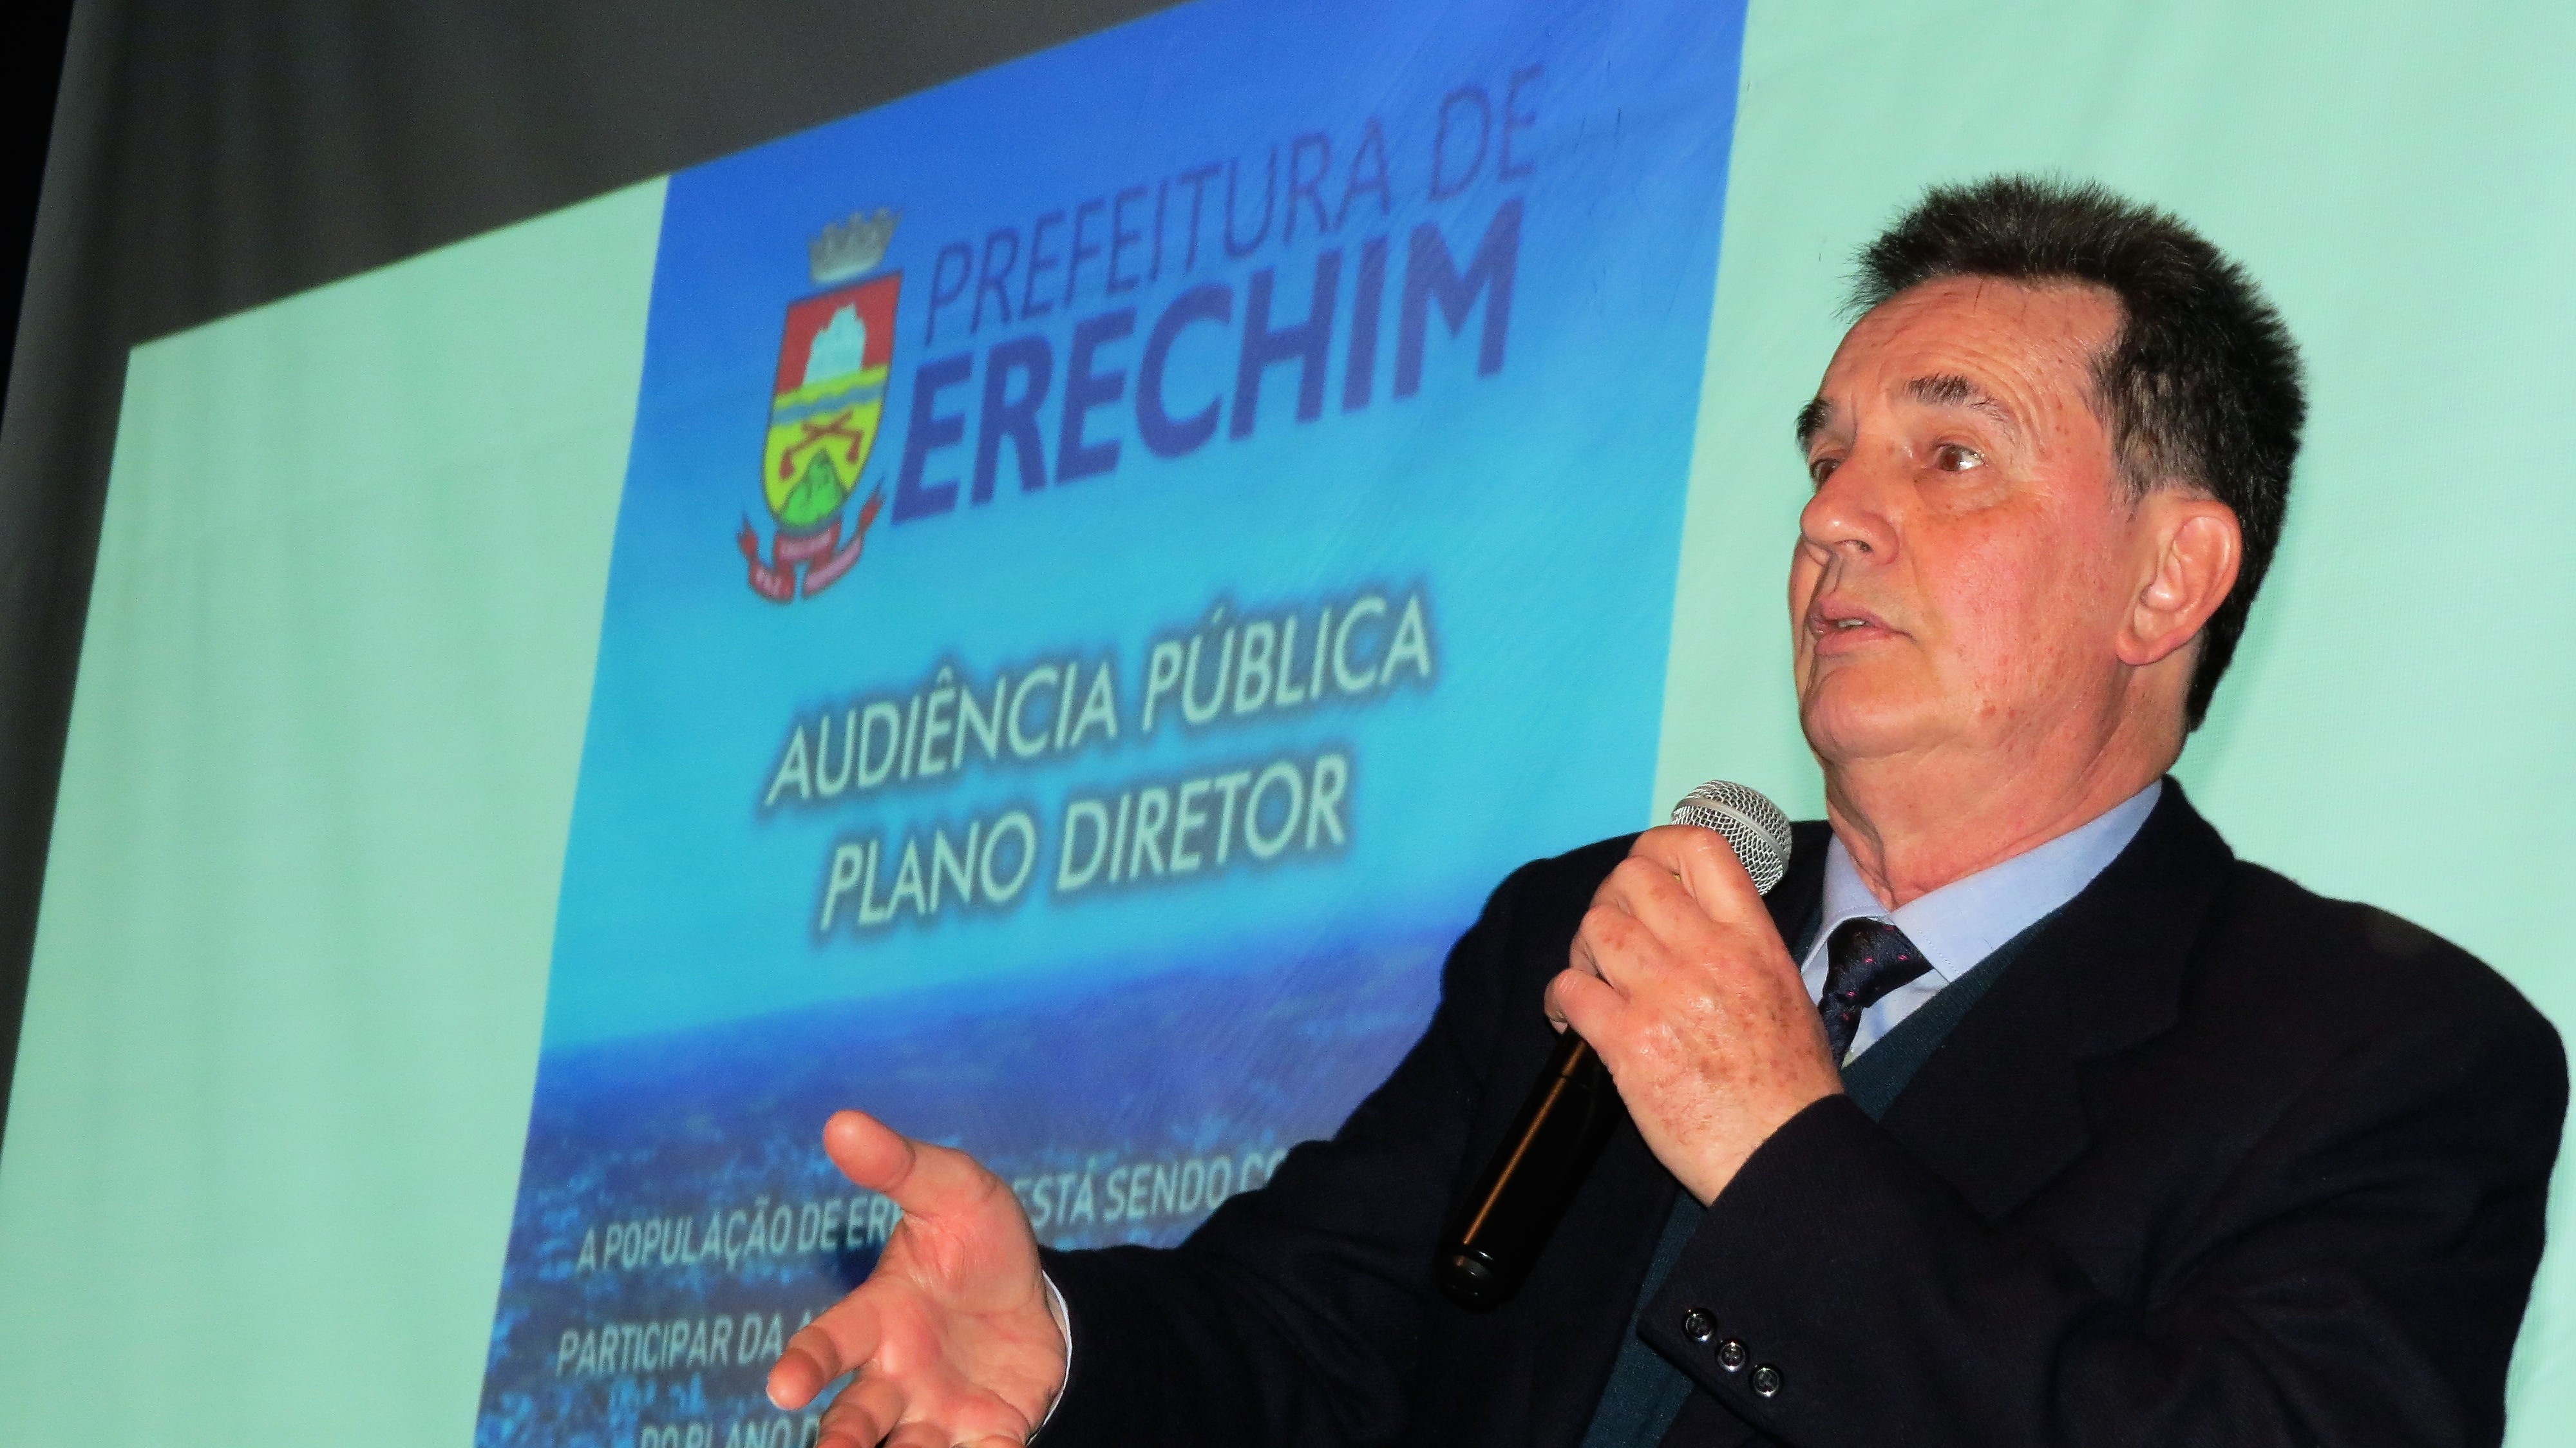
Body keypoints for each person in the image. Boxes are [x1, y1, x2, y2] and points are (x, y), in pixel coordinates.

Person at [763, 175, 2567, 1447]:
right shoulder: (1602, 929)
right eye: (1828, 457)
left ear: (2170, 579)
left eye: (1949, 455)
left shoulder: (2377, 1053)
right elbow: (1309, 1344)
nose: (1835, 517)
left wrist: (1775, 1145)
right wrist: (1057, 1343)